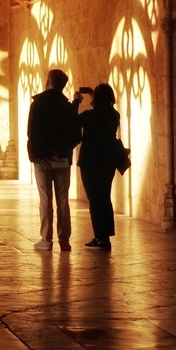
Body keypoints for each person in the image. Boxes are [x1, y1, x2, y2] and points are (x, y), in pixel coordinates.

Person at [27, 68, 80, 252]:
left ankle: (46, 239)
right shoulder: (66, 106)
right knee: (63, 199)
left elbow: (32, 133)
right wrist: (60, 151)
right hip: (62, 160)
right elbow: (75, 134)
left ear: (48, 81)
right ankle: (64, 241)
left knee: (46, 199)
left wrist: (45, 153)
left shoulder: (37, 104)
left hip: (42, 160)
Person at [72, 82, 121, 251]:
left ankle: (100, 236)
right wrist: (96, 96)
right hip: (108, 161)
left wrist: (77, 101)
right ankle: (104, 237)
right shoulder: (115, 115)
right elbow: (105, 110)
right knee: (104, 197)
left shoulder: (89, 115)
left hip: (90, 162)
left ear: (96, 99)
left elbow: (72, 121)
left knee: (95, 199)